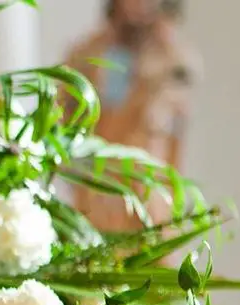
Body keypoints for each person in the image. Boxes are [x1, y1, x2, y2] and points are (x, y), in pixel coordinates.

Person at [64, 0, 201, 232]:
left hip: (149, 189)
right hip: (99, 185)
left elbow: (176, 127)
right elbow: (68, 119)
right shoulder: (88, 54)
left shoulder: (172, 59)